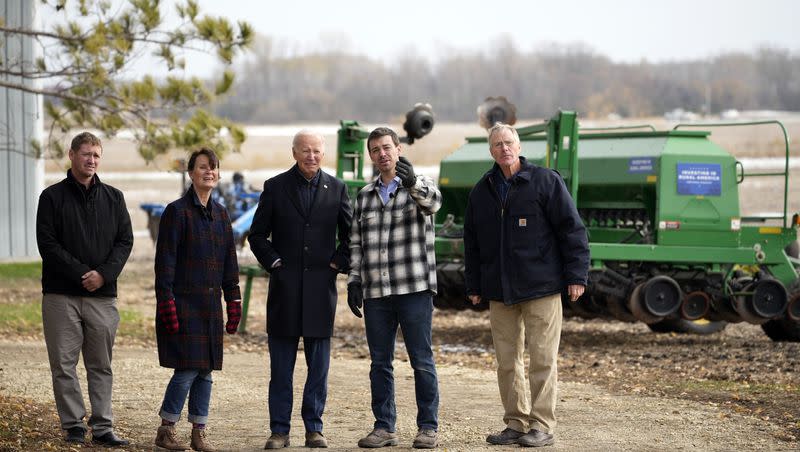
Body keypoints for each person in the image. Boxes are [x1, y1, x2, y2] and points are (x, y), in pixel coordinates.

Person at [463, 123, 590, 448]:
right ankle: (516, 423)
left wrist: (577, 275)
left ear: (518, 146)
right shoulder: (482, 191)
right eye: (497, 145)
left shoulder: (546, 181)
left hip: (541, 288)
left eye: (509, 142)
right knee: (507, 361)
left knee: (543, 360)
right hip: (499, 292)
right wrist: (474, 283)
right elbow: (473, 243)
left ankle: (542, 425)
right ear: (490, 151)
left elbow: (572, 230)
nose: (504, 148)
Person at [249, 130, 353, 449]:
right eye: (305, 151)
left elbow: (352, 237)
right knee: (281, 368)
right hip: (285, 289)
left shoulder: (337, 189)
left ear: (324, 154)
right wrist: (275, 263)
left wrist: (336, 263)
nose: (311, 156)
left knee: (318, 369)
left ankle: (314, 428)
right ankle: (279, 430)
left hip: (322, 291)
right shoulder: (275, 187)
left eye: (316, 151)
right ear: (293, 153)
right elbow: (257, 236)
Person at [36, 131, 133, 447]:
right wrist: (82, 274)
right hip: (60, 296)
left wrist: (103, 276)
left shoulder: (115, 198)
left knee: (101, 365)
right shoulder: (51, 198)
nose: (91, 160)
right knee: (63, 365)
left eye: (96, 155)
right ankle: (73, 425)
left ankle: (103, 427)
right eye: (86, 154)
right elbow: (48, 245)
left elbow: (124, 241)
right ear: (72, 155)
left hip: (102, 298)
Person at [346, 127, 441, 449]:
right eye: (375, 150)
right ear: (371, 156)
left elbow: (434, 205)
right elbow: (355, 243)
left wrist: (413, 182)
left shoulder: (420, 184)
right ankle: (384, 427)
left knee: (422, 361)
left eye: (387, 147)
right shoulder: (363, 196)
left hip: (414, 288)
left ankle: (428, 427)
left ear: (398, 149)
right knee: (379, 363)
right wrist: (354, 280)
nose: (382, 154)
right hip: (377, 294)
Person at [153, 148, 242, 452]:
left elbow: (230, 262)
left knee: (206, 371)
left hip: (210, 308)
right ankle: (166, 429)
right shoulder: (176, 212)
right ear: (191, 173)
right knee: (187, 369)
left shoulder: (221, 213)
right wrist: (166, 303)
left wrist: (234, 301)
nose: (209, 172)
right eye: (202, 167)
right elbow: (164, 264)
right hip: (182, 304)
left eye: (213, 168)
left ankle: (198, 431)